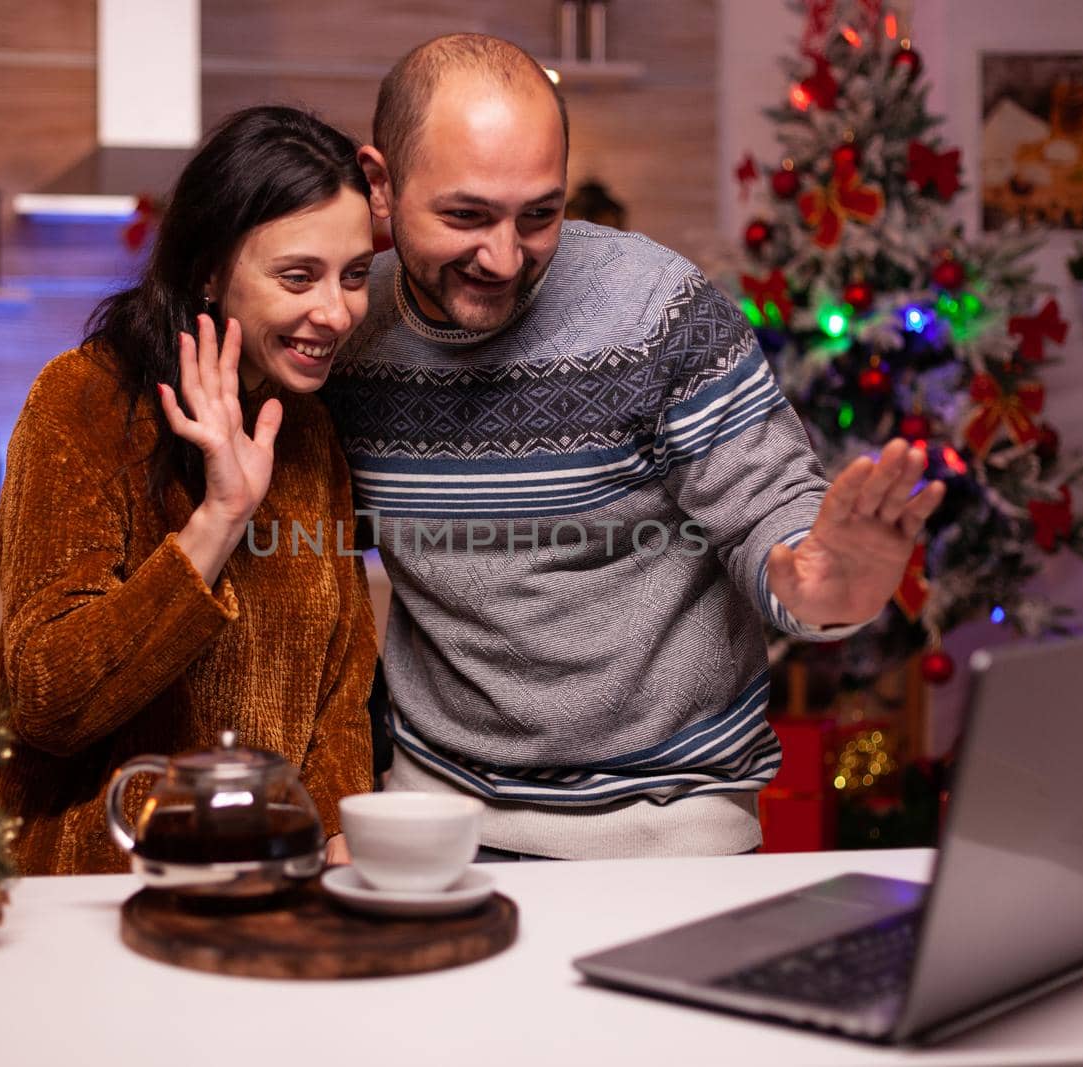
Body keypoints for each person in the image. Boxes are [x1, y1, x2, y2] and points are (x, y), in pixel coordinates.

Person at [322, 34, 944, 860]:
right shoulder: (345, 338)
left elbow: (774, 514)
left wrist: (821, 582)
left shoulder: (660, 312)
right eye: (465, 215)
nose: (504, 258)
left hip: (669, 825)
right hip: (438, 819)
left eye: (538, 215)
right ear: (380, 184)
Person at [0, 106, 378, 875]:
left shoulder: (306, 428)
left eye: (356, 275)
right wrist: (220, 517)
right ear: (208, 269)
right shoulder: (86, 402)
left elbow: (344, 686)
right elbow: (45, 699)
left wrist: (337, 834)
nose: (336, 313)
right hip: (105, 894)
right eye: (298, 276)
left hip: (273, 884)